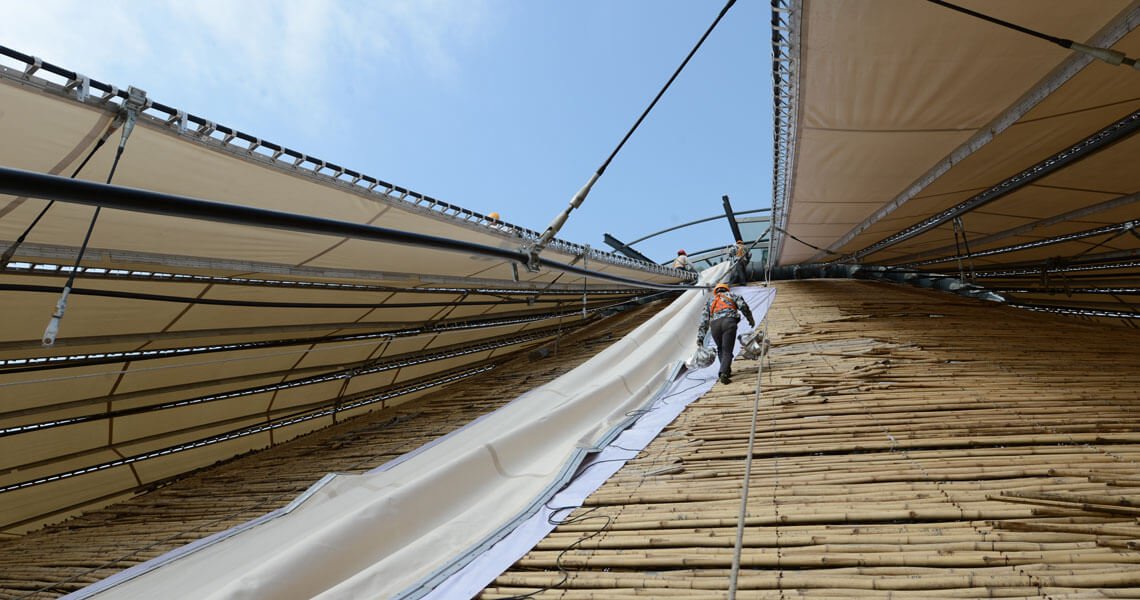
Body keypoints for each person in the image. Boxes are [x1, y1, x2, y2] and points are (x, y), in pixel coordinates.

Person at [696, 282, 755, 384]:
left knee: (721, 349)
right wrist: (750, 319)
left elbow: (704, 321)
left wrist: (700, 338)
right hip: (729, 322)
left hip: (714, 326)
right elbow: (743, 306)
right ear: (726, 289)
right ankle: (723, 373)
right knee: (727, 350)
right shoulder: (732, 295)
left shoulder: (710, 301)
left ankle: (726, 371)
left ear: (716, 291)